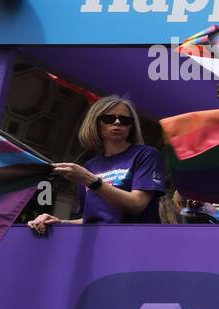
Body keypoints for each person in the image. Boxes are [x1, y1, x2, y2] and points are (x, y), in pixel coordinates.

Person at [29, 96, 165, 234]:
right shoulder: (90, 166)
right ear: (96, 124)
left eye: (125, 120)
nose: (117, 122)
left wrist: (90, 180)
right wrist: (59, 222)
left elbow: (137, 204)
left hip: (134, 240)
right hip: (98, 243)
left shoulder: (146, 154)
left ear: (131, 126)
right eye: (109, 119)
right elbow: (89, 219)